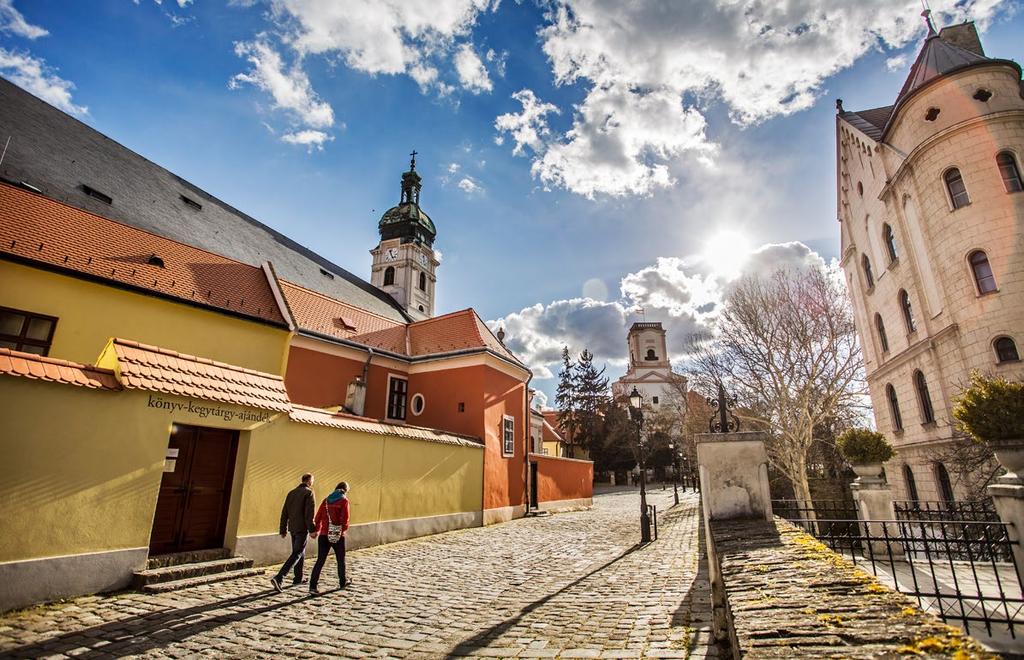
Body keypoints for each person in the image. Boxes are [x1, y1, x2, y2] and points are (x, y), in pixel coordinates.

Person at [270, 473, 316, 592]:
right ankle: (279, 577)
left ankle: (298, 578)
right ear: (309, 481)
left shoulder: (291, 493)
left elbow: (284, 512)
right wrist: (312, 529)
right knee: (297, 553)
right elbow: (309, 514)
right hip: (302, 528)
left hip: (293, 528)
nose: (312, 483)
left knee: (300, 552)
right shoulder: (308, 493)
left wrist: (283, 529)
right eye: (312, 481)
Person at [308, 482, 351, 595]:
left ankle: (312, 586)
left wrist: (316, 530)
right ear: (345, 490)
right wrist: (343, 530)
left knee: (320, 561)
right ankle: (343, 581)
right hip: (337, 535)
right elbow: (344, 520)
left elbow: (318, 517)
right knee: (340, 560)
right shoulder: (344, 501)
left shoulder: (326, 500)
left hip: (323, 535)